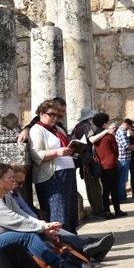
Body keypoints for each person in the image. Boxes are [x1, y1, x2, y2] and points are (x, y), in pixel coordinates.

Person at [0, 163, 87, 268]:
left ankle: (70, 259)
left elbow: (23, 215)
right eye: (10, 178)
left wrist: (44, 225)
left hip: (6, 234)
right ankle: (60, 266)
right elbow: (15, 221)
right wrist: (42, 228)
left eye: (14, 177)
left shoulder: (6, 197)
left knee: (44, 234)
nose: (13, 181)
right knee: (28, 236)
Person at [8, 163, 115, 262]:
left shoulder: (16, 194)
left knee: (55, 230)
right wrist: (42, 226)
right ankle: (89, 246)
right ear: (10, 179)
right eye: (19, 183)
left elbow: (28, 212)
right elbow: (18, 218)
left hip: (30, 225)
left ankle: (92, 248)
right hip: (21, 229)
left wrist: (42, 224)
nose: (21, 186)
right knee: (52, 233)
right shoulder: (6, 197)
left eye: (23, 183)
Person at [29, 99, 80, 234]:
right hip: (52, 178)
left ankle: (73, 242)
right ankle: (63, 245)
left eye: (56, 115)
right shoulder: (37, 130)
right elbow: (36, 154)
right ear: (41, 114)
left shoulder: (57, 129)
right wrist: (57, 152)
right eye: (51, 114)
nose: (54, 118)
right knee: (59, 212)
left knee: (70, 211)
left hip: (66, 176)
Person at [71, 106, 108, 219]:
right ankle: (99, 210)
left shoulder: (77, 127)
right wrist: (106, 132)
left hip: (82, 160)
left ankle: (96, 209)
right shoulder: (86, 126)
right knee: (95, 186)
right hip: (88, 159)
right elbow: (91, 139)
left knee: (90, 186)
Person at [93, 113, 127, 218]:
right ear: (104, 123)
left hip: (101, 165)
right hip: (111, 164)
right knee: (114, 189)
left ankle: (107, 211)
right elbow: (115, 150)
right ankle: (117, 210)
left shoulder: (95, 136)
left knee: (106, 189)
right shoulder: (108, 136)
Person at [115, 118, 134, 201]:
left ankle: (121, 196)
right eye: (129, 127)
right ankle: (122, 197)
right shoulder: (122, 132)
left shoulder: (119, 131)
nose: (129, 129)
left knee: (122, 179)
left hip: (122, 158)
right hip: (123, 159)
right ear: (126, 124)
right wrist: (132, 147)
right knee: (123, 179)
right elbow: (125, 145)